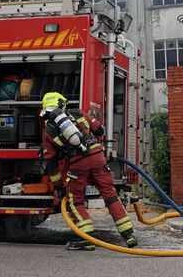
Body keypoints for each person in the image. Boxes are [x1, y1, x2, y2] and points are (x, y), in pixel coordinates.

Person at [40, 92, 138, 251]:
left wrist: (59, 187)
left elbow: (51, 163)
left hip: (78, 165)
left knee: (75, 200)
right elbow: (100, 130)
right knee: (110, 195)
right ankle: (128, 235)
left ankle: (87, 240)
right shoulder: (77, 113)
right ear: (62, 104)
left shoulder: (48, 132)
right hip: (98, 158)